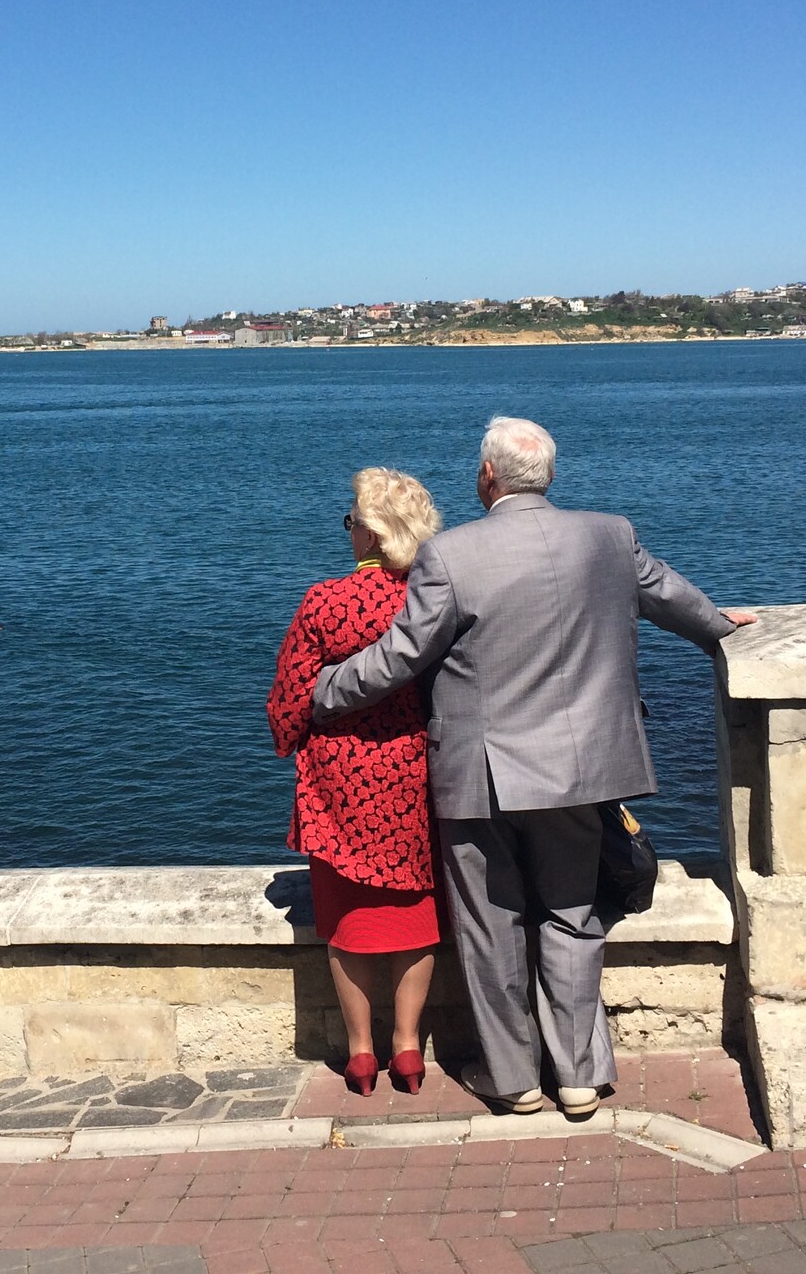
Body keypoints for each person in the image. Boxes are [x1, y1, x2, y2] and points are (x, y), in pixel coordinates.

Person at [313, 417, 755, 1119]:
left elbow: (401, 656)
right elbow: (672, 598)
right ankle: (578, 1075)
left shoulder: (452, 554)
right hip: (582, 771)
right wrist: (727, 632)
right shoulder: (608, 535)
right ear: (546, 476)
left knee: (489, 928)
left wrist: (322, 691)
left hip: (478, 778)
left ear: (487, 476)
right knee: (572, 918)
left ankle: (512, 1077)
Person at [267, 467, 445, 1097]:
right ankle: (408, 1050)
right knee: (415, 913)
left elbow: (288, 699)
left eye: (353, 522)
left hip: (336, 784)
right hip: (412, 777)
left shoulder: (324, 601)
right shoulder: (429, 601)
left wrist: (289, 739)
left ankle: (361, 1054)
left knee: (345, 923)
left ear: (370, 536)